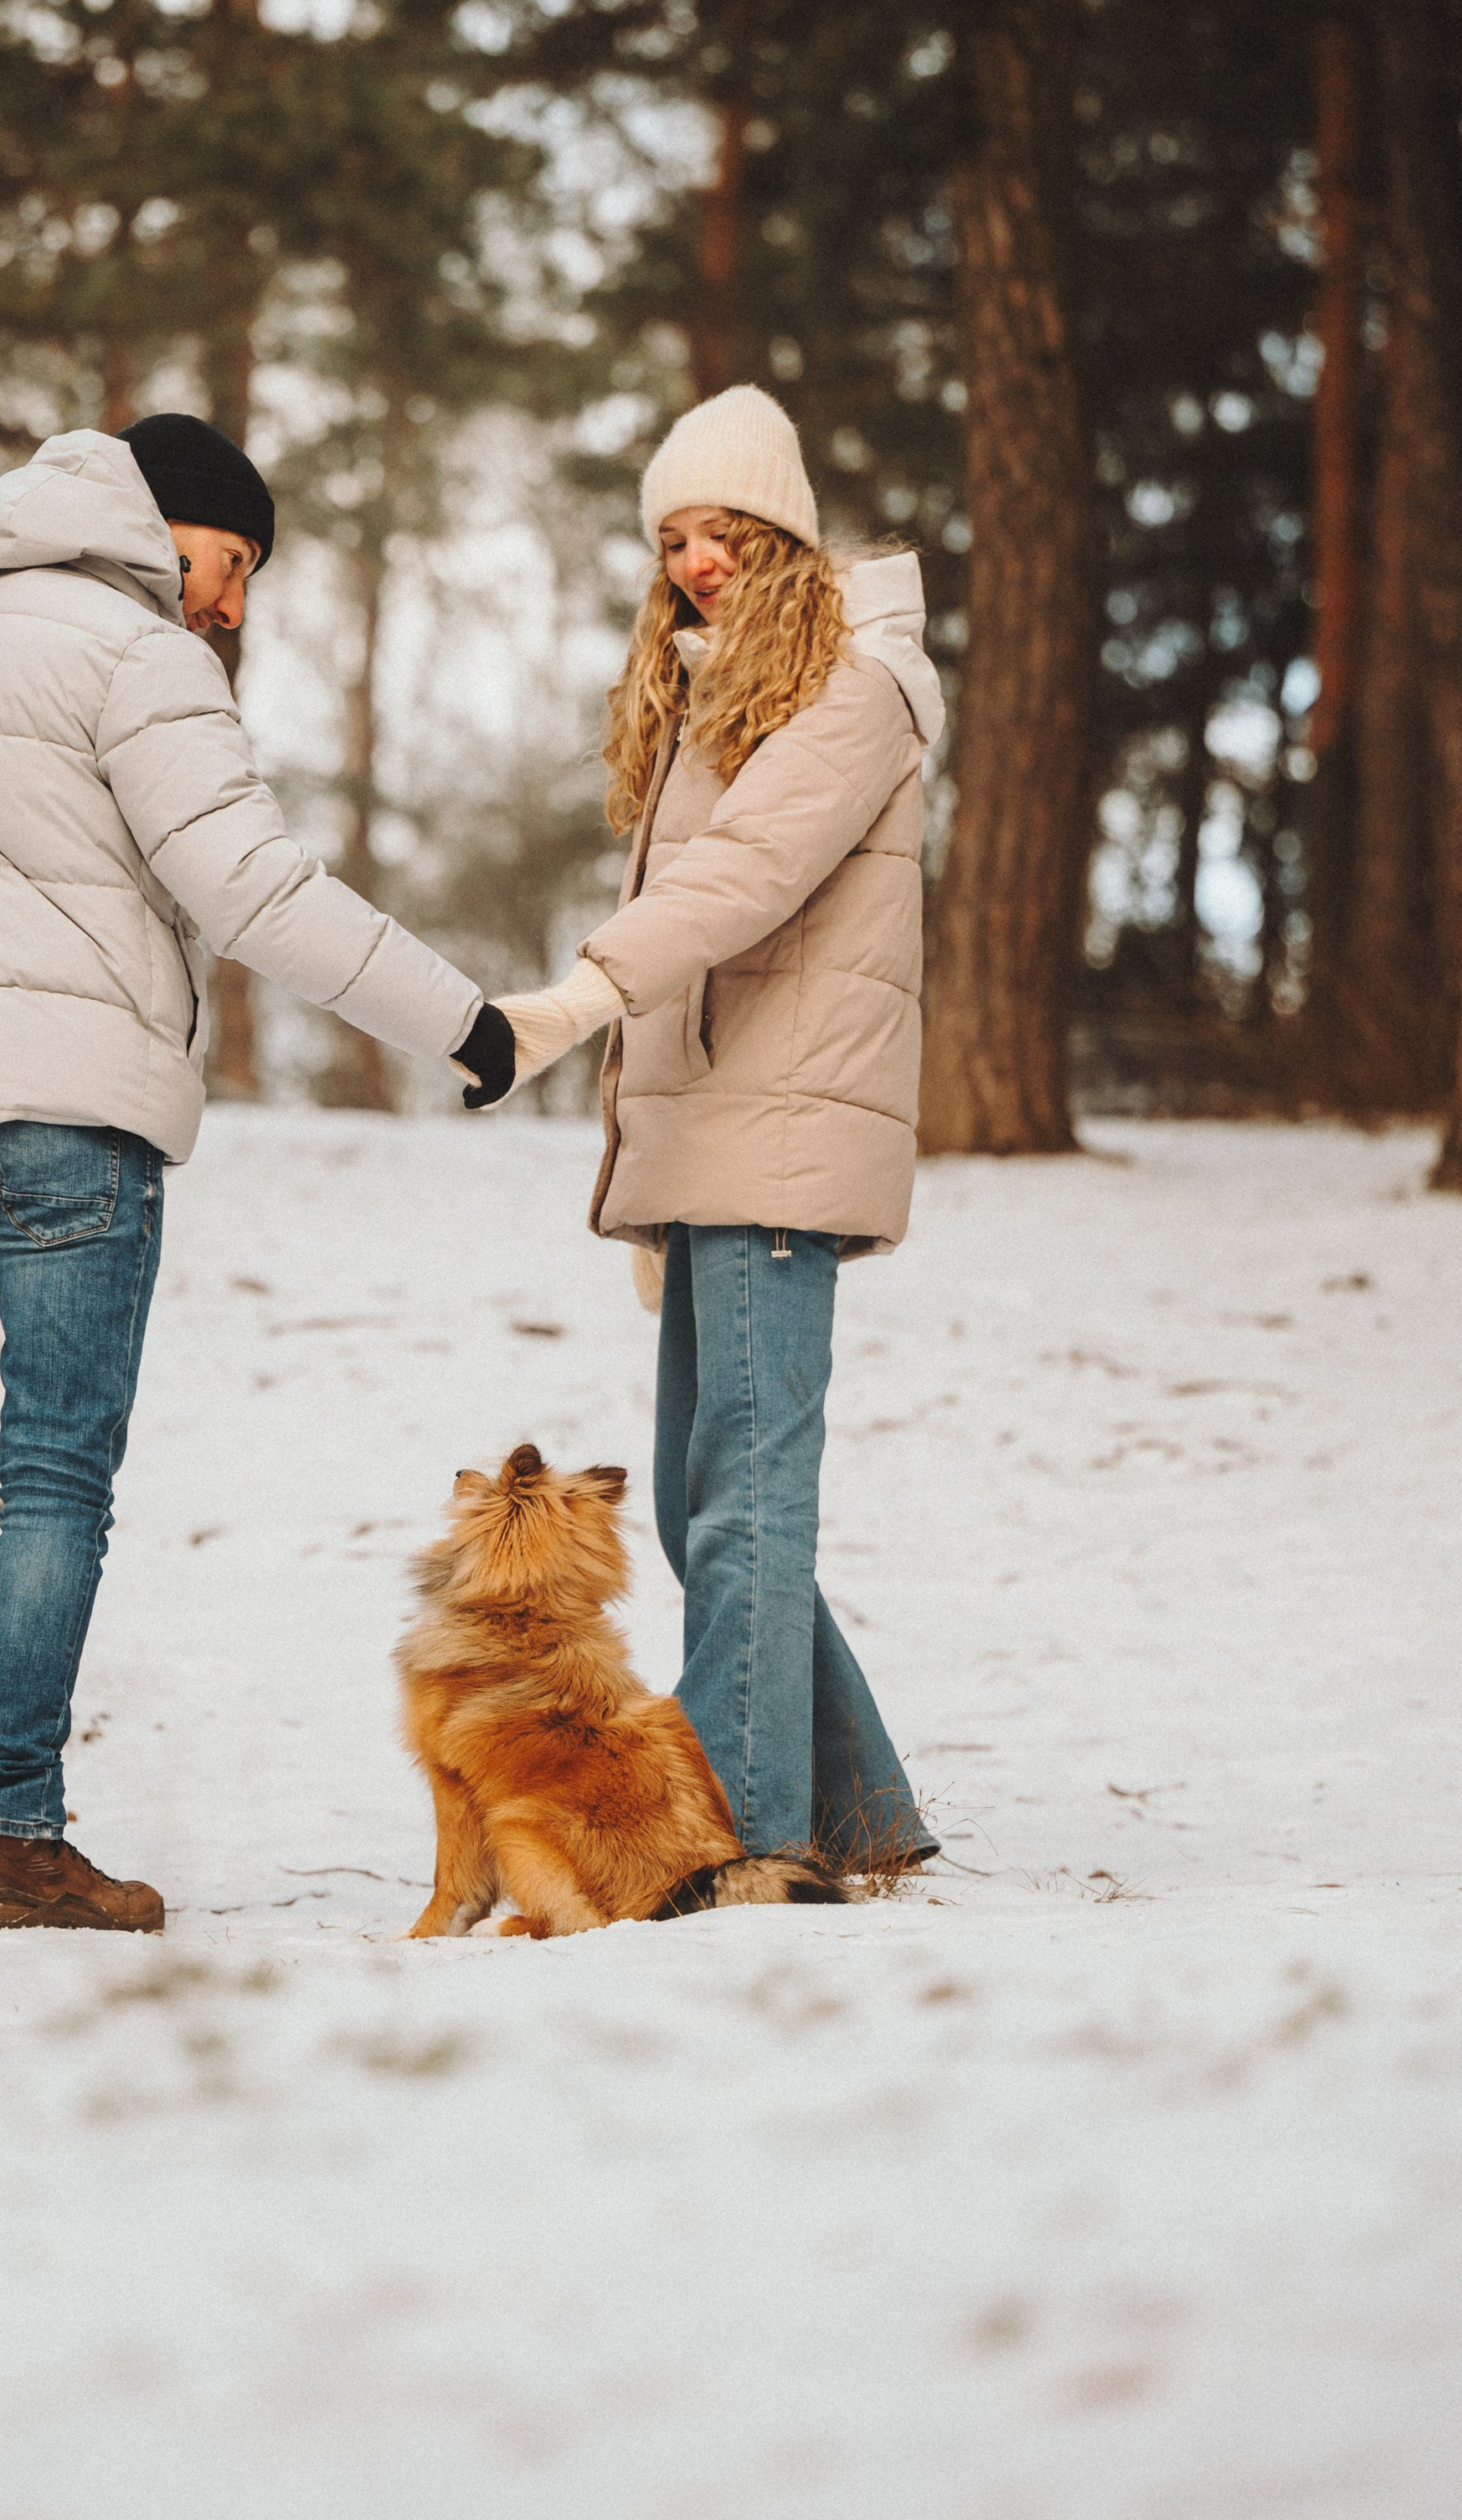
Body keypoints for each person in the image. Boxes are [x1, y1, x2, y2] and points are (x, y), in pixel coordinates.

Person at [0, 415, 515, 1938]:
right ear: (167, 526)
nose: (231, 606)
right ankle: (6, 1837)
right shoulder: (138, 659)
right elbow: (251, 885)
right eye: (231, 565)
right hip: (71, 1130)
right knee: (55, 1490)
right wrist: (460, 1021)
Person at [477, 385, 941, 1874]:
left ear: (787, 536)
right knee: (704, 1514)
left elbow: (742, 880)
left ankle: (742, 1838)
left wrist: (568, 1006)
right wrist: (659, 1185)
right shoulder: (726, 693)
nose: (696, 560)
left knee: (744, 1510)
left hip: (781, 1149)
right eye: (673, 536)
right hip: (727, 1151)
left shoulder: (848, 693)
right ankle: (867, 1821)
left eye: (725, 530)